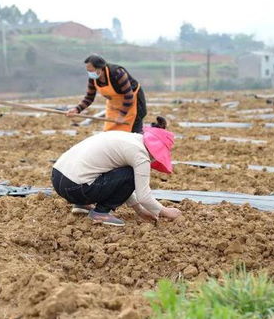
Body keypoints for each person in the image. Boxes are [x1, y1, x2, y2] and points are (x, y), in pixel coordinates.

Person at [51, 117, 181, 227]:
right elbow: (143, 196)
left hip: (57, 179)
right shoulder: (140, 155)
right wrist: (165, 211)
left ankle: (81, 204)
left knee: (102, 170)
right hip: (77, 188)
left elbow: (117, 181)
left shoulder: (128, 139)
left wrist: (139, 210)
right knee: (130, 174)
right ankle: (101, 213)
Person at [67, 54, 147, 134]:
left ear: (100, 68)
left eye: (91, 71)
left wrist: (122, 115)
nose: (90, 73)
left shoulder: (117, 73)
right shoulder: (93, 79)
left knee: (133, 132)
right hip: (114, 105)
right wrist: (77, 109)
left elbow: (129, 96)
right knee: (110, 132)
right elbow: (89, 97)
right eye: (88, 71)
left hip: (132, 102)